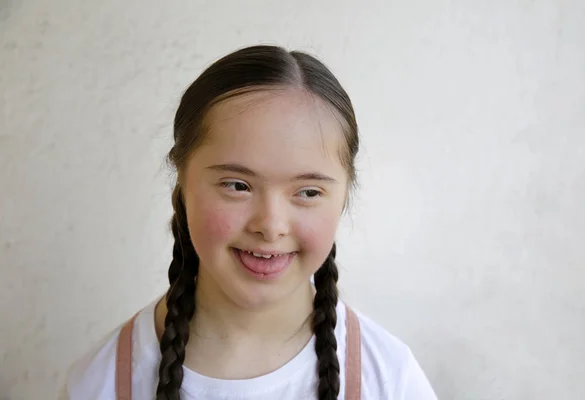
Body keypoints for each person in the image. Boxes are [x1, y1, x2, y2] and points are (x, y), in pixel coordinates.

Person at [65, 45, 437, 400]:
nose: (271, 225)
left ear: (343, 197)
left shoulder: (390, 378)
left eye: (308, 192)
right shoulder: (101, 383)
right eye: (238, 186)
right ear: (182, 180)